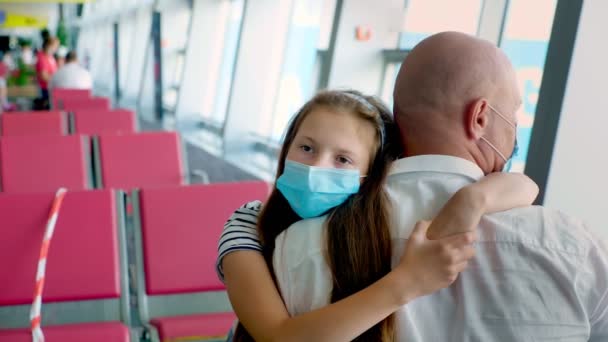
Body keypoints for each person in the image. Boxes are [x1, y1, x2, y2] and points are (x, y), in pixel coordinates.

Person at [270, 32, 608, 341]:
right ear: (479, 118)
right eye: (514, 113)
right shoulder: (570, 246)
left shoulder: (297, 244)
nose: (515, 129)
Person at [217, 89, 539, 341]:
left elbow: (526, 186)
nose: (317, 166)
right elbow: (276, 336)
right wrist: (408, 281)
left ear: (371, 174)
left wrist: (471, 200)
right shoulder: (248, 223)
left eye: (342, 159)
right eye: (306, 148)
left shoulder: (377, 219)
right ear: (286, 147)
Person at [35, 37, 59, 108]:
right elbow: (44, 76)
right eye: (55, 46)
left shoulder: (49, 56)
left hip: (50, 87)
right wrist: (56, 80)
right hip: (45, 89)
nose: (56, 48)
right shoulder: (42, 57)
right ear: (48, 45)